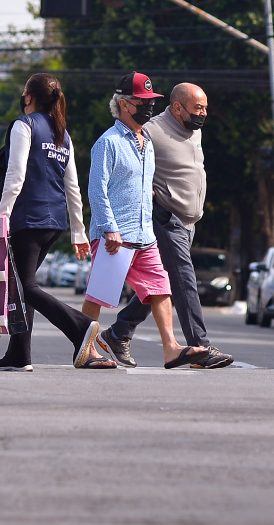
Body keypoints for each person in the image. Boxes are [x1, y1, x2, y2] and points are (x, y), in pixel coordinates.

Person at [99, 83, 234, 369]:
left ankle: (119, 332)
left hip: (189, 221)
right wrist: (143, 190)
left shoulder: (195, 130)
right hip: (166, 218)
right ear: (177, 107)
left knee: (163, 284)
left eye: (205, 108)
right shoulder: (153, 129)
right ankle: (201, 346)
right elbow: (131, 156)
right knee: (184, 279)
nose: (204, 114)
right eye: (199, 108)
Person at [80, 72, 207, 369]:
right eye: (143, 101)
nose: (148, 107)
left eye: (151, 101)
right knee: (100, 294)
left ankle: (171, 348)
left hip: (144, 233)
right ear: (124, 104)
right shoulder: (107, 142)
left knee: (161, 288)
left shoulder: (146, 142)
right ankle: (85, 348)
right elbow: (96, 190)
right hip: (116, 234)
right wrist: (109, 228)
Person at [0, 73, 104, 371]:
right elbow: (73, 187)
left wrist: (1, 218)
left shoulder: (23, 125)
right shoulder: (62, 134)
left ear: (28, 97)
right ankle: (19, 355)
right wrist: (78, 231)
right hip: (54, 223)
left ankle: (79, 326)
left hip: (27, 219)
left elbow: (15, 175)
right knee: (23, 285)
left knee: (25, 286)